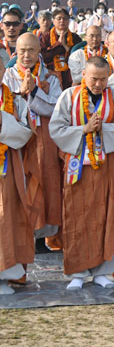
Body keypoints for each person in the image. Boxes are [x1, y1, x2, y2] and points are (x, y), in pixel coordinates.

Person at [48, 57, 114, 290]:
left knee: (106, 215)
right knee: (76, 216)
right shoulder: (69, 96)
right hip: (77, 167)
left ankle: (102, 271)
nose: (98, 84)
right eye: (93, 79)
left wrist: (103, 129)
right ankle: (78, 272)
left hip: (105, 166)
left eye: (102, 79)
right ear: (84, 76)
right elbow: (56, 129)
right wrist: (84, 130)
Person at [5, 33, 63, 251]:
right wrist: (21, 93)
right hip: (19, 139)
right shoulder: (9, 76)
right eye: (22, 51)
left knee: (46, 181)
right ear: (15, 52)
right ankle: (22, 232)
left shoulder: (51, 77)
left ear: (39, 51)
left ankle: (41, 237)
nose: (26, 55)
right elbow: (7, 105)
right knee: (22, 181)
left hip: (44, 139)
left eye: (31, 50)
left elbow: (54, 108)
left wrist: (35, 90)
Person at [0, 82, 38, 295]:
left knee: (7, 217)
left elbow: (27, 132)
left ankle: (4, 275)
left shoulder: (15, 101)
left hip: (9, 166)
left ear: (3, 71)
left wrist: (3, 122)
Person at [40, 8, 81, 90]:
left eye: (65, 18)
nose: (62, 21)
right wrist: (57, 44)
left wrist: (65, 45)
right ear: (53, 21)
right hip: (51, 76)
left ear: (69, 21)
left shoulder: (75, 38)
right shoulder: (46, 37)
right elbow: (43, 57)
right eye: (59, 18)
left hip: (71, 77)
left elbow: (79, 58)